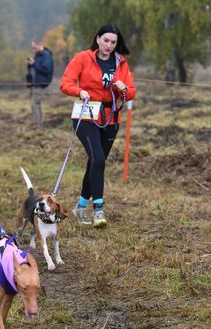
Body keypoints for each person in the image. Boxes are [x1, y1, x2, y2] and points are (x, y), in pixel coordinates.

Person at [60, 23, 136, 227]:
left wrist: (124, 89)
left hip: (111, 118)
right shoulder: (83, 58)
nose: (109, 45)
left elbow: (131, 92)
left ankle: (81, 206)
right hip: (85, 115)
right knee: (98, 158)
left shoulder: (122, 63)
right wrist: (79, 91)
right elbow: (65, 83)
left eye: (113, 42)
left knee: (96, 162)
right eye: (106, 41)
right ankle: (99, 210)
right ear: (97, 39)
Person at [26, 39, 53, 128]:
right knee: (35, 104)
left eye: (34, 48)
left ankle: (38, 125)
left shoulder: (46, 55)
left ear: (39, 45)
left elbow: (46, 70)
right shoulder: (38, 55)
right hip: (35, 83)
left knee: (34, 104)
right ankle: (38, 123)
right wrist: (31, 63)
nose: (33, 50)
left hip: (41, 84)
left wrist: (34, 63)